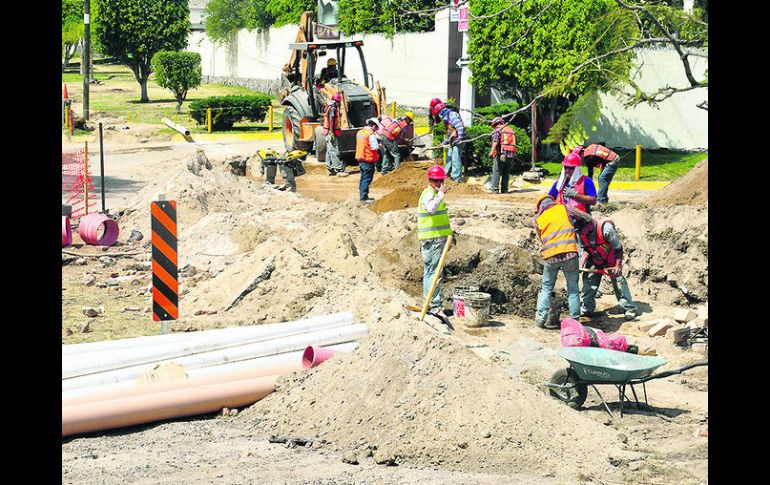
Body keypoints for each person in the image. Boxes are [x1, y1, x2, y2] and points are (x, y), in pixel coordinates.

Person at [569, 210, 639, 321]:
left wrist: (617, 266)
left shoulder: (606, 229)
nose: (581, 232)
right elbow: (585, 248)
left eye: (582, 229)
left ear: (589, 224)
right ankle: (587, 308)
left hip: (611, 257)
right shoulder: (580, 233)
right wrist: (581, 261)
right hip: (594, 257)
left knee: (619, 283)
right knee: (589, 283)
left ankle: (629, 308)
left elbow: (618, 249)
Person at [532, 194, 581, 328]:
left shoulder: (538, 219)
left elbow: (542, 239)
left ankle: (540, 320)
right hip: (570, 253)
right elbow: (584, 217)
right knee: (573, 289)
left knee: (546, 288)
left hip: (551, 256)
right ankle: (575, 321)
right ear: (552, 202)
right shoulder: (563, 209)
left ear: (540, 207)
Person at [418, 165, 453, 314]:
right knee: (434, 273)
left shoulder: (432, 192)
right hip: (432, 241)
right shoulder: (429, 194)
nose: (439, 184)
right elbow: (431, 209)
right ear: (430, 180)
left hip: (436, 239)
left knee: (431, 272)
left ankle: (431, 303)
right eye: (436, 181)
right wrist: (440, 194)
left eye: (440, 181)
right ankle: (433, 305)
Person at [435, 104, 466, 183]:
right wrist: (443, 143)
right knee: (449, 156)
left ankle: (457, 178)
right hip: (454, 140)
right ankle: (446, 175)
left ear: (441, 112)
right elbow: (449, 135)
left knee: (455, 157)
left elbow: (460, 127)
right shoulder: (446, 120)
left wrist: (459, 138)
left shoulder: (452, 115)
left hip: (460, 139)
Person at [487, 116, 517, 194]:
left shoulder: (498, 130)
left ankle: (495, 189)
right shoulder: (510, 130)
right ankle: (505, 189)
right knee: (506, 172)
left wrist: (491, 151)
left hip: (501, 154)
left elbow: (495, 141)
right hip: (511, 154)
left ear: (496, 124)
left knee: (496, 171)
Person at [322, 92, 347, 177]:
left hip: (328, 132)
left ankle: (330, 168)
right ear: (337, 101)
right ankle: (338, 169)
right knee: (334, 150)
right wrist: (332, 132)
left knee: (329, 151)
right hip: (330, 132)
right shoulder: (333, 108)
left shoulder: (329, 107)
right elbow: (331, 120)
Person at [356, 118, 380, 204]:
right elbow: (374, 147)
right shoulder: (370, 134)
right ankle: (363, 198)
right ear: (373, 126)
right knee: (367, 179)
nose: (376, 130)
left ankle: (363, 195)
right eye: (376, 128)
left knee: (363, 178)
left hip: (361, 158)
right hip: (368, 159)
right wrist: (379, 146)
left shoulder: (360, 132)